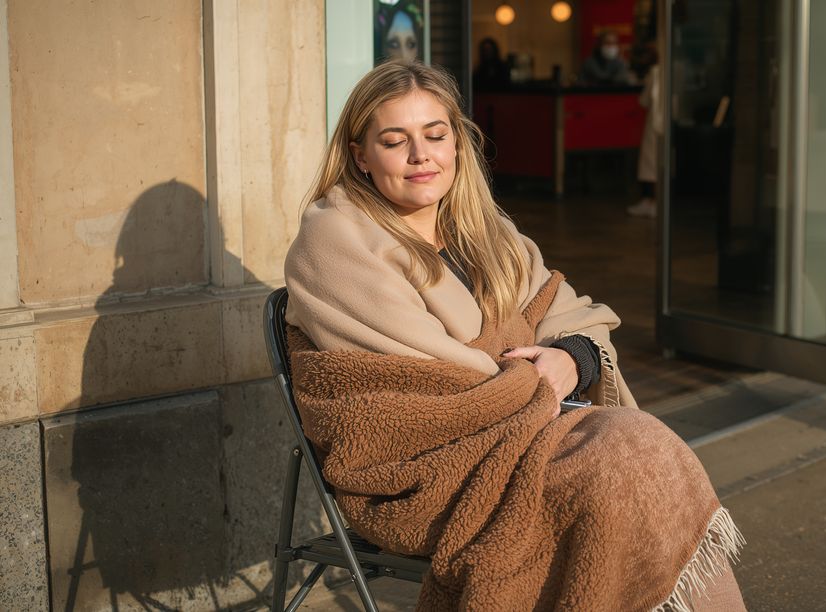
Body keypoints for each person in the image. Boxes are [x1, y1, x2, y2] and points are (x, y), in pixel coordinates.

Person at [284, 61, 746, 610]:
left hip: (517, 434)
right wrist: (540, 380)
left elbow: (569, 311)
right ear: (360, 155)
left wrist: (572, 358)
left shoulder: (481, 226)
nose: (421, 156)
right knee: (628, 457)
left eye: (435, 135)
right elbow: (436, 383)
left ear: (457, 141)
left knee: (636, 459)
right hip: (427, 473)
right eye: (394, 141)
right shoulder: (337, 235)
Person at [628, 50, 662, 218]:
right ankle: (653, 201)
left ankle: (651, 201)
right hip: (665, 124)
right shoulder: (676, 69)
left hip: (655, 124)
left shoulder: (655, 72)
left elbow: (645, 100)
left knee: (650, 165)